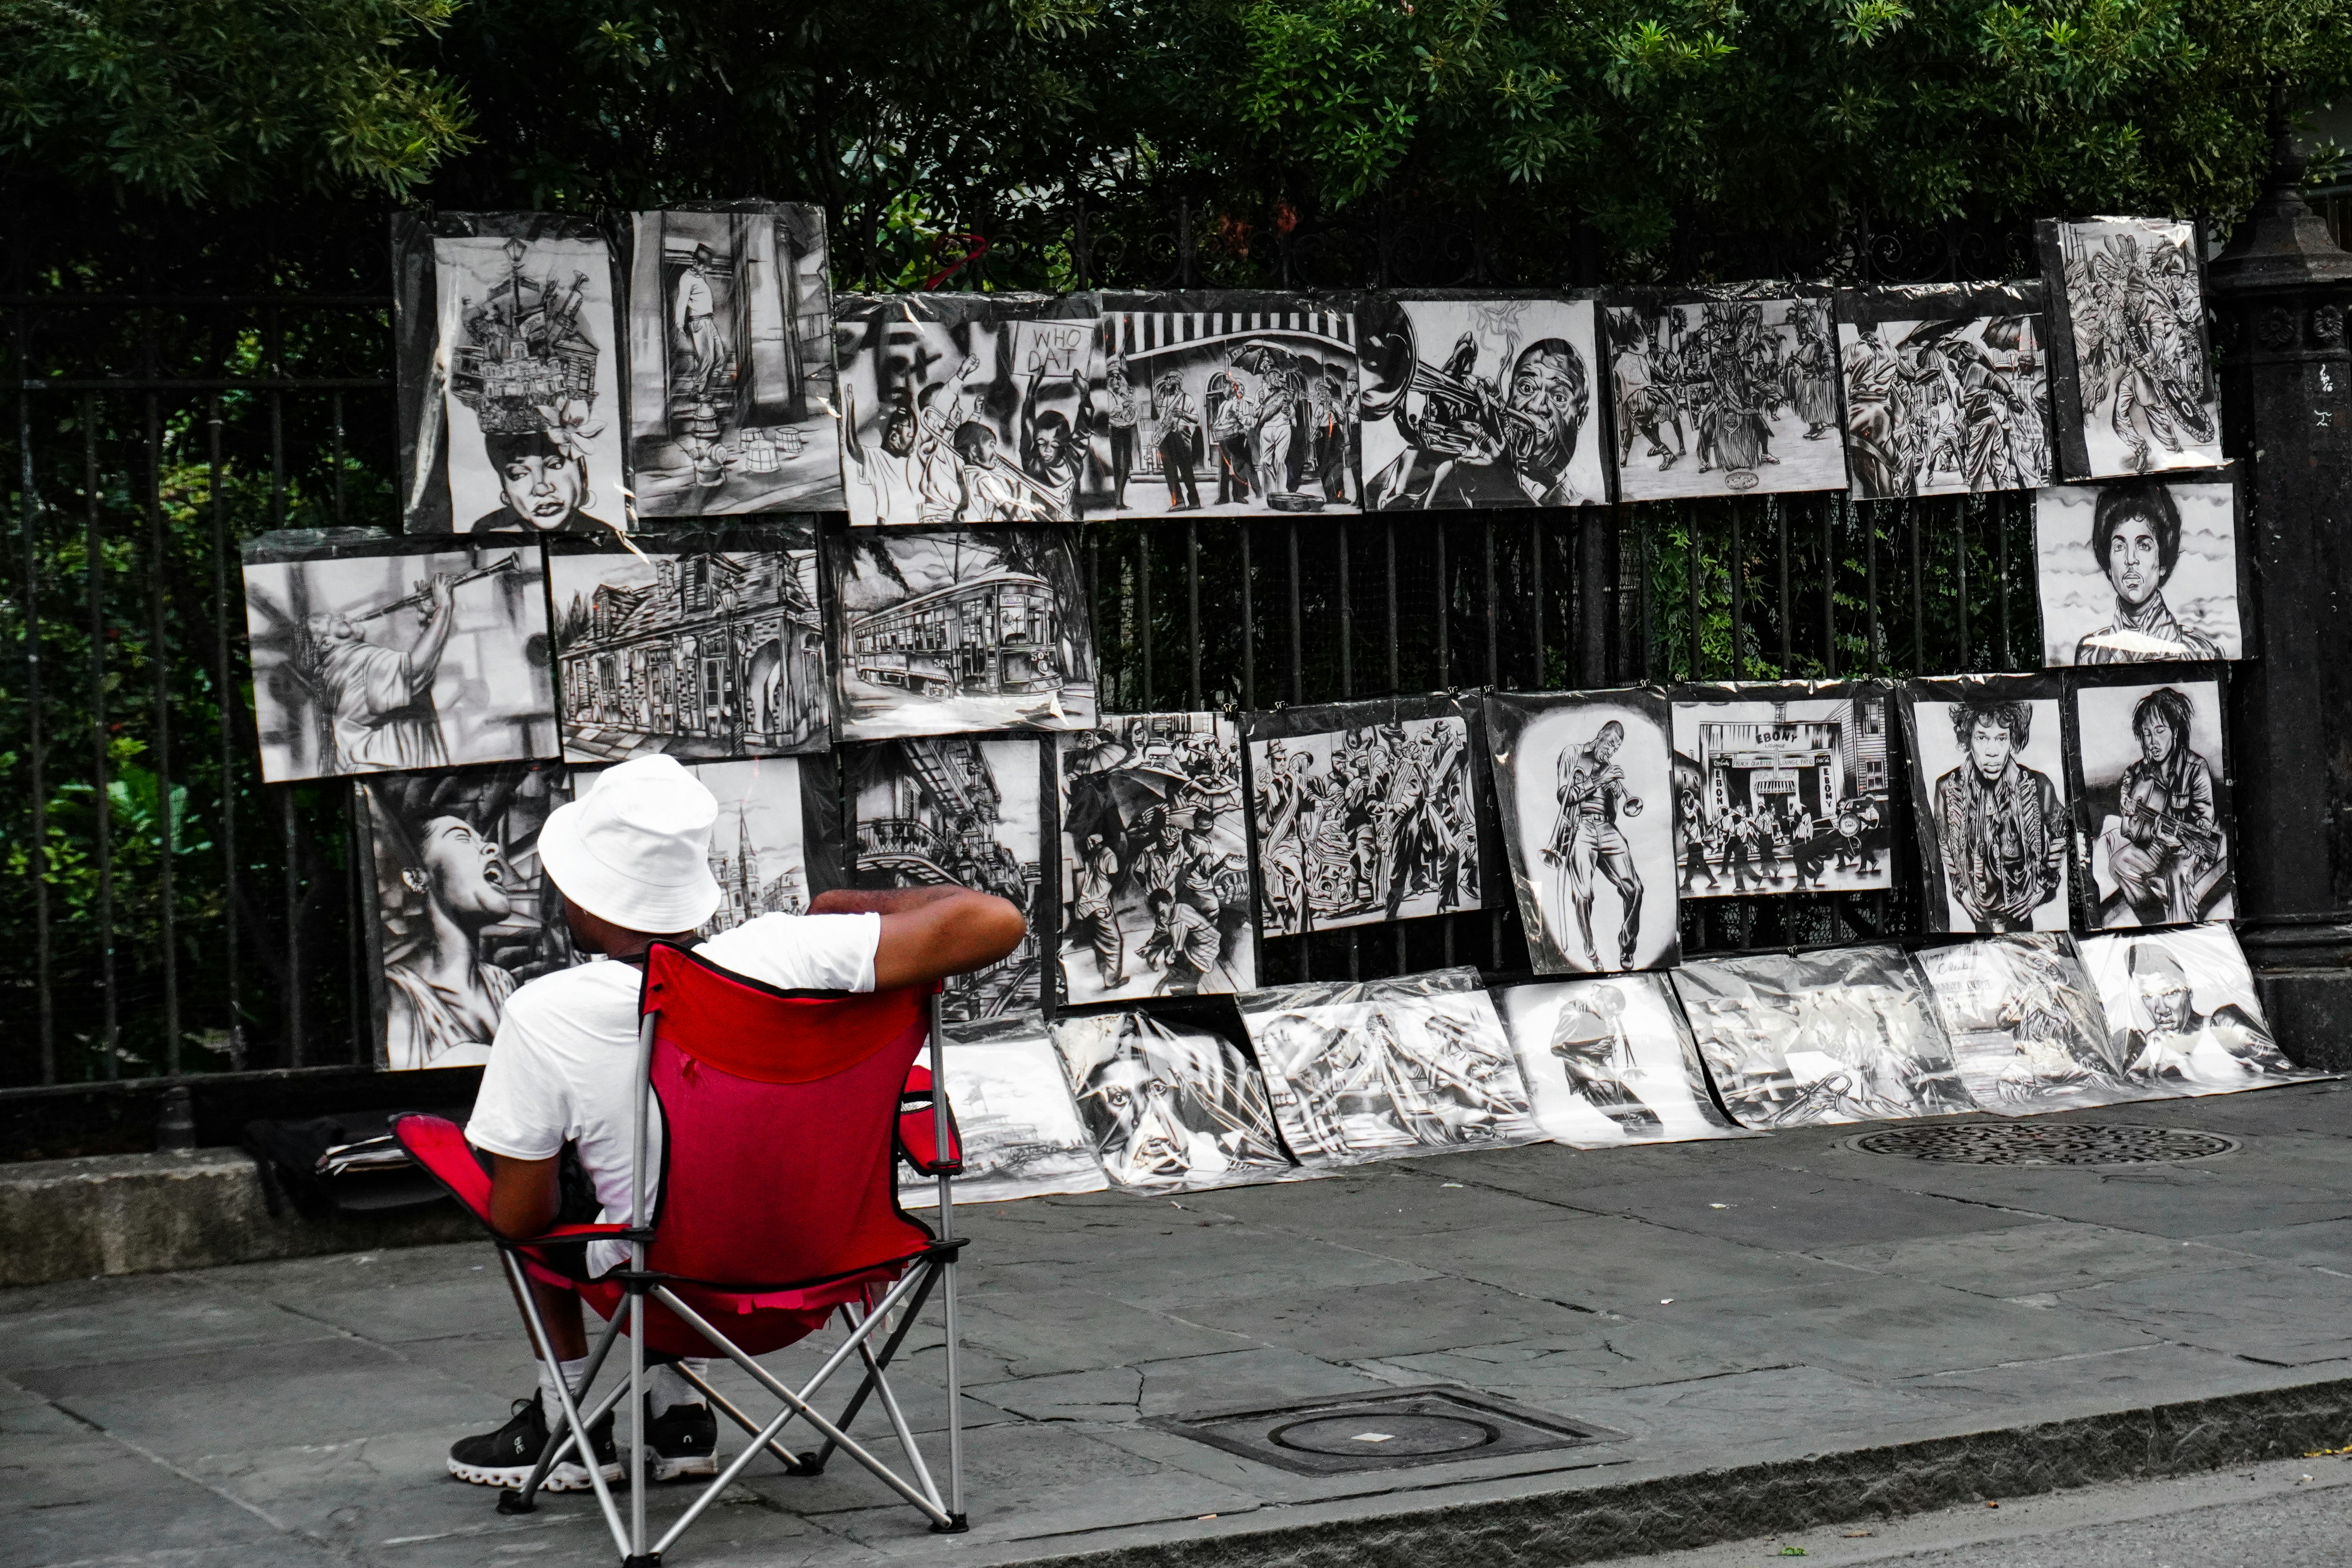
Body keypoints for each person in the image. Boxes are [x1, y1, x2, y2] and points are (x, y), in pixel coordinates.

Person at [449, 755, 1026, 1492]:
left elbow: (522, 1216)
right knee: (666, 1177)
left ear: (589, 898)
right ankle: (677, 1415)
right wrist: (843, 901)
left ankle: (567, 1417)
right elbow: (996, 920)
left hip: (662, 1290)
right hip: (826, 1276)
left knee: (555, 1195)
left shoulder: (547, 1009)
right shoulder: (793, 951)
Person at [371, 772, 559, 1071]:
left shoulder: (502, 985)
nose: (493, 848)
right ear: (417, 878)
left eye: (485, 840)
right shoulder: (398, 995)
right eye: (462, 838)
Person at [1933, 698, 2068, 932]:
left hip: (2021, 911)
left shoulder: (2038, 785)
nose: (1992, 751)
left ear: (2011, 739)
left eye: (2001, 738)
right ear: (1969, 739)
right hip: (1978, 916)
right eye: (1982, 737)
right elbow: (1943, 844)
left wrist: (2043, 885)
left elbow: (2062, 834)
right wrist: (1961, 890)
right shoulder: (1947, 788)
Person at [301, 574, 455, 773]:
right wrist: (444, 607)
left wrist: (428, 623)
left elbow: (415, 685)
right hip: (390, 775)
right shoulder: (355, 662)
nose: (345, 616)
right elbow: (416, 669)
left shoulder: (339, 668)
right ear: (327, 643)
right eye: (334, 621)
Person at [2103, 686, 2223, 925]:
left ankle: (2182, 932)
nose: (2152, 742)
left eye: (2160, 731)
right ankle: (2154, 921)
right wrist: (2126, 799)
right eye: (2147, 734)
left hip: (2187, 846)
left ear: (2175, 732)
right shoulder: (2142, 769)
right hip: (2157, 844)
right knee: (2119, 864)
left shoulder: (2196, 768)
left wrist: (2181, 840)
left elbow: (2204, 824)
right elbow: (2129, 779)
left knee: (2175, 872)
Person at [2074, 480, 2222, 663]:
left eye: (2144, 545)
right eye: (2120, 546)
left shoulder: (2202, 653)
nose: (2130, 559)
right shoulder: (2090, 655)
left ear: (2163, 562)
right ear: (2109, 565)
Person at [1546, 720, 1645, 970]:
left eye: (1616, 748)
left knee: (1635, 888)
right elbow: (1564, 797)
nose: (1611, 750)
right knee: (1584, 894)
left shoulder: (1609, 768)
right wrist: (1600, 781)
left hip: (1606, 828)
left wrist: (1613, 790)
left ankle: (1627, 944)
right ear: (1600, 734)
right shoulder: (1574, 753)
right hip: (1579, 827)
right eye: (1610, 742)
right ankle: (1591, 952)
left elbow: (1613, 812)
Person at [470, 428, 615, 534]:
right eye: (520, 474)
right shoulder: (489, 531)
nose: (542, 489)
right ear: (506, 493)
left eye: (555, 465)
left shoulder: (603, 534)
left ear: (582, 473)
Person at [1067, 832, 1127, 993]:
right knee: (1115, 943)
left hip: (1088, 906)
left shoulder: (1092, 856)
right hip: (1099, 905)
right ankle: (1112, 981)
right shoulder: (1108, 855)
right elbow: (1114, 879)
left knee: (1100, 943)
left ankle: (1106, 975)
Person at [1154, 370, 1202, 511]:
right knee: (1170, 472)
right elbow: (1161, 420)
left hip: (1181, 436)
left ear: (1178, 382)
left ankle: (1194, 502)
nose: (1167, 383)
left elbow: (1196, 418)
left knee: (1186, 470)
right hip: (1166, 438)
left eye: (1170, 380)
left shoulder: (1186, 399)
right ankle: (1179, 502)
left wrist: (1183, 414)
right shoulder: (1165, 400)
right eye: (1167, 380)